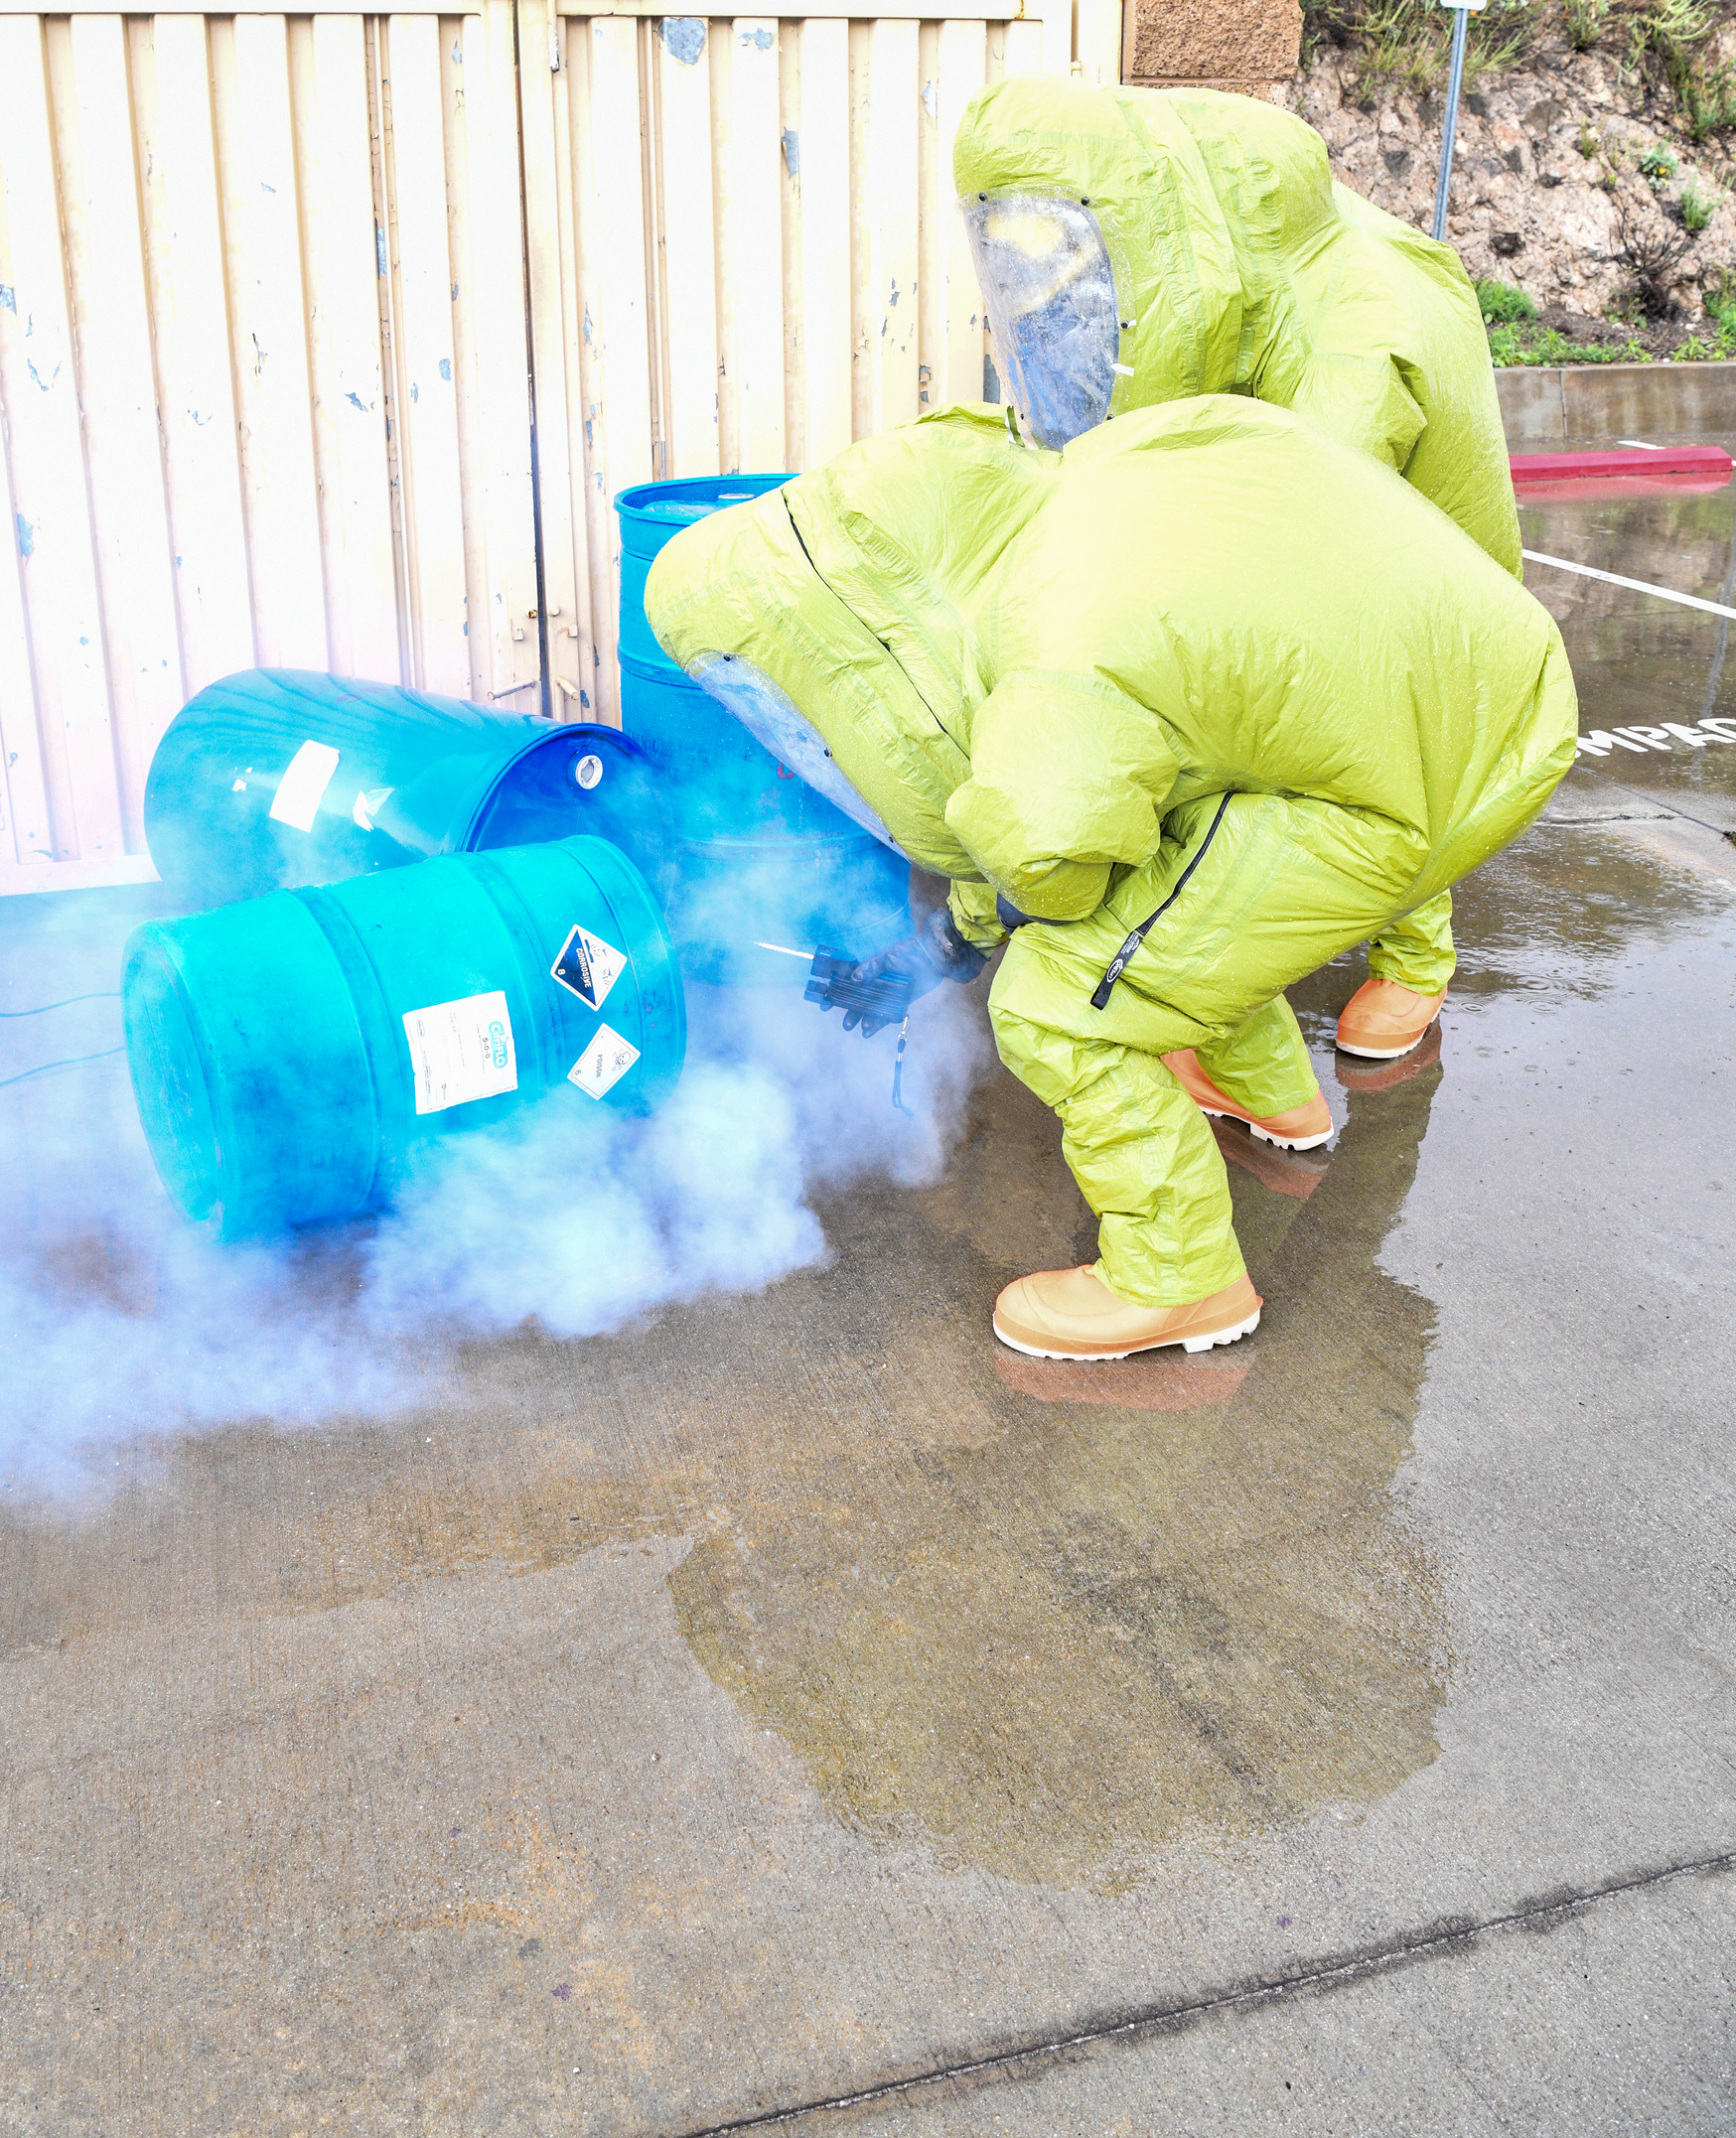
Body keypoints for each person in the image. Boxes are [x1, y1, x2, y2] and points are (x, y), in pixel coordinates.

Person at [646, 396, 1575, 1363]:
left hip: (1426, 770)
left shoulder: (1052, 651)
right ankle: (1263, 1091)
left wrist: (959, 949)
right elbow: (1064, 795)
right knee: (1170, 890)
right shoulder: (1066, 506)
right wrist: (941, 944)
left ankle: (1180, 1278)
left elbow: (1046, 856)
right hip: (1477, 683)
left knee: (1058, 998)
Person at [954, 77, 1521, 1063]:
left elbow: (1267, 575)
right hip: (1279, 409)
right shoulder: (1170, 245)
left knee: (1384, 718)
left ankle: (1416, 955)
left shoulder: (1351, 362)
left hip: (1412, 536)